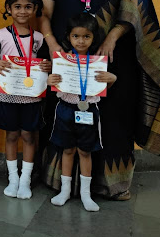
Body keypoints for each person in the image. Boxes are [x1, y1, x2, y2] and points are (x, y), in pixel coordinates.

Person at [38, 0, 160, 200]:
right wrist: (50, 43)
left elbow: (135, 10)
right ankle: (64, 185)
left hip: (110, 63)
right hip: (69, 64)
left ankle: (113, 185)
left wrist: (112, 36)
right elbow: (44, 14)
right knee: (64, 121)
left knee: (113, 122)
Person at [47, 12, 117, 211]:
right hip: (65, 109)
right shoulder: (63, 60)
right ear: (68, 37)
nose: (80, 41)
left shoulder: (97, 62)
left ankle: (86, 195)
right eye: (76, 36)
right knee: (67, 150)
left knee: (85, 152)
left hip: (89, 111)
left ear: (94, 37)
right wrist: (49, 80)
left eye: (86, 36)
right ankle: (65, 191)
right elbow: (53, 82)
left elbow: (101, 88)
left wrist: (112, 79)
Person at [0, 0, 51, 200]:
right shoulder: (0, 35)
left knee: (28, 135)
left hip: (32, 96)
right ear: (8, 8)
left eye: (27, 7)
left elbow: (46, 64)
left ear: (34, 9)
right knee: (12, 134)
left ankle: (25, 180)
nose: (22, 11)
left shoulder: (40, 38)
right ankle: (13, 178)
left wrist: (48, 67)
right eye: (17, 7)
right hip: (8, 95)